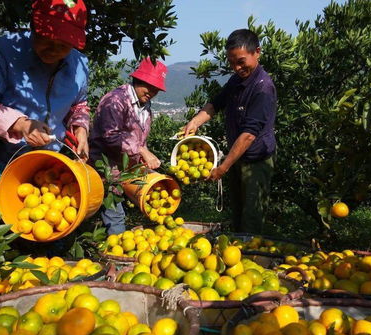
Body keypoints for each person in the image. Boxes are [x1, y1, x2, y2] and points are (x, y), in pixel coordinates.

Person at [0, 0, 90, 189]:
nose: (54, 50)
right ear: (33, 26)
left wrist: (80, 128)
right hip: (2, 165)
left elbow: (79, 104)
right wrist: (20, 124)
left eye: (63, 45)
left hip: (51, 169)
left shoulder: (79, 65)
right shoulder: (0, 52)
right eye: (46, 38)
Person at [183, 29, 277, 234]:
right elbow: (216, 103)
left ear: (257, 52)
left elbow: (249, 135)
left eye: (241, 61)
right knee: (237, 213)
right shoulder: (237, 81)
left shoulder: (262, 88)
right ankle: (236, 254)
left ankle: (251, 259)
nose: (237, 67)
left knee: (251, 217)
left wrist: (222, 168)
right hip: (237, 158)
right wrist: (195, 122)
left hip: (256, 161)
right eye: (232, 62)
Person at [89, 58, 167, 234]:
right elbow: (109, 136)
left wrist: (142, 156)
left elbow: (139, 139)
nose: (152, 91)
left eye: (156, 89)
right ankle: (117, 259)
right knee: (115, 218)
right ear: (138, 80)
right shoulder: (115, 101)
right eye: (149, 85)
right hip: (105, 170)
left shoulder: (145, 105)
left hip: (125, 171)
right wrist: (140, 150)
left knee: (113, 215)